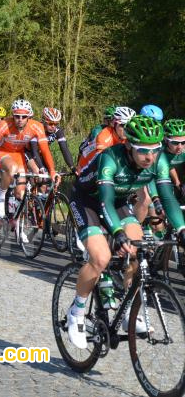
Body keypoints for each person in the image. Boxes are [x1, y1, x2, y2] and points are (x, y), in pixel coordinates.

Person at [65, 116, 185, 348]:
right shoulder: (110, 158)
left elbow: (168, 197)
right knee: (101, 258)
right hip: (88, 201)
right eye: (142, 150)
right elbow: (104, 201)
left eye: (155, 149)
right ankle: (76, 312)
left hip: (118, 201)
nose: (149, 157)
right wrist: (117, 232)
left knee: (137, 250)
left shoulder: (158, 161)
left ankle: (128, 310)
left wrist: (181, 228)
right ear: (129, 145)